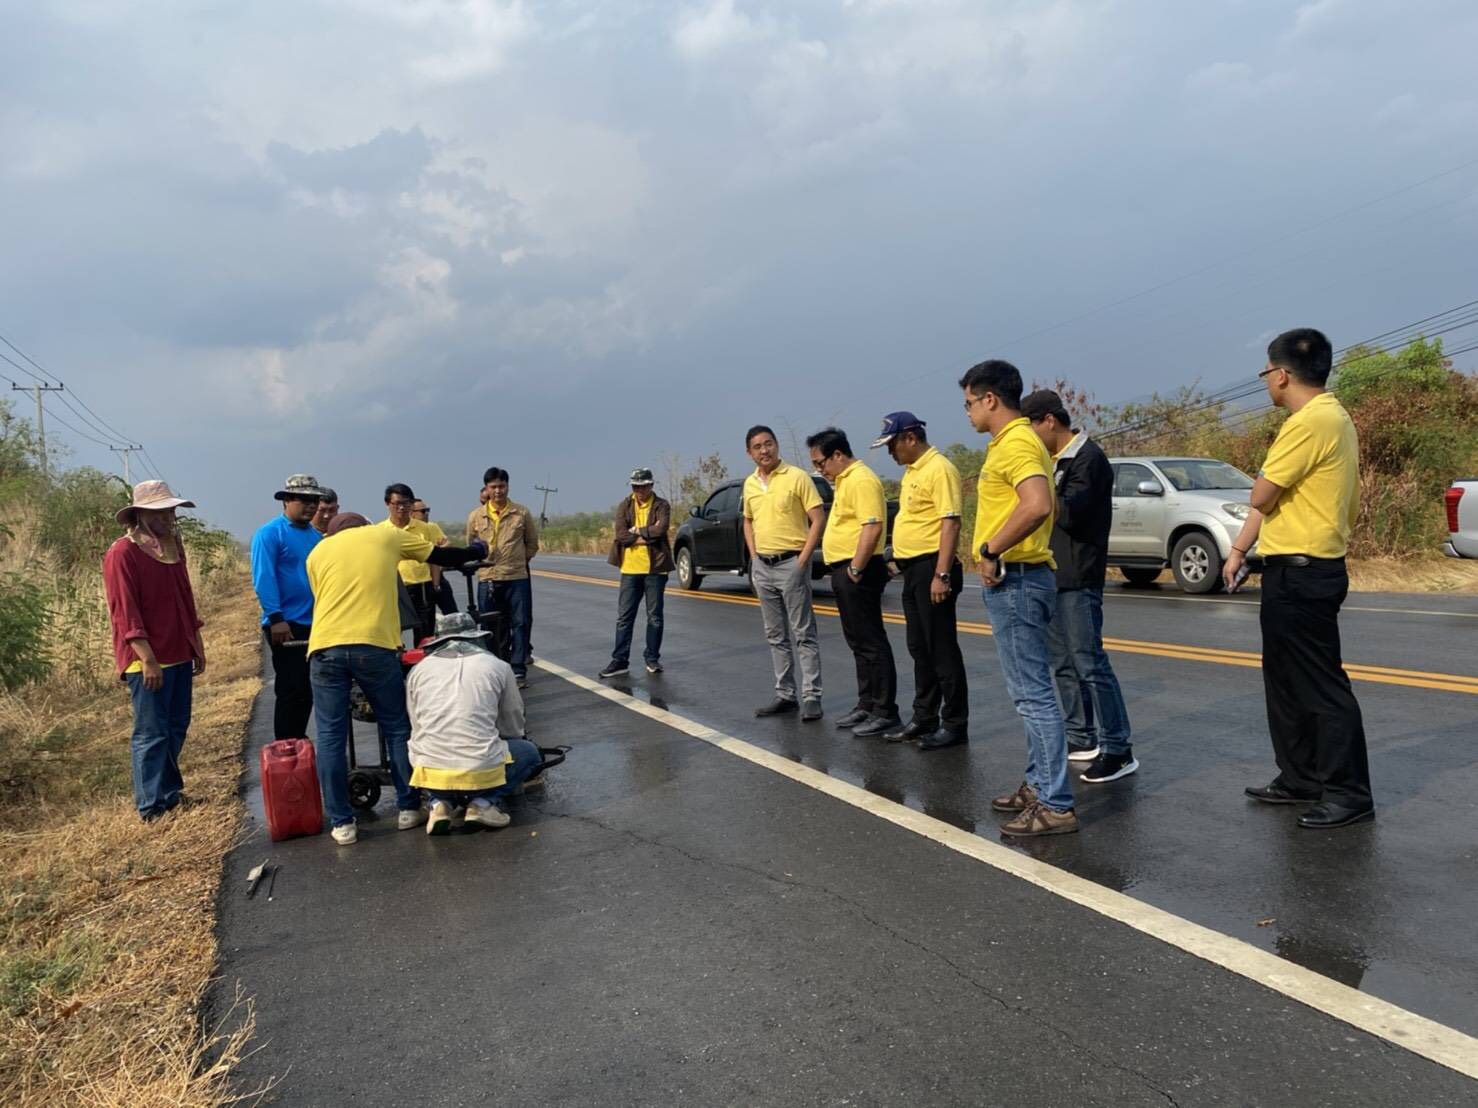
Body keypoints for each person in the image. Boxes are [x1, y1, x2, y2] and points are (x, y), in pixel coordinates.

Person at [1224, 328, 1373, 829]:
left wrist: (1243, 543)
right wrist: (1240, 550)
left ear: (1283, 374)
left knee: (1319, 686)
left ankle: (1348, 792)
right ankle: (1300, 777)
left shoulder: (1309, 422)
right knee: (1285, 681)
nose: (1266, 381)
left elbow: (1261, 495)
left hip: (1305, 572)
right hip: (1294, 569)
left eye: (1266, 372)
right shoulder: (1332, 416)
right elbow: (1272, 501)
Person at [306, 512, 486, 844]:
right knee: (395, 726)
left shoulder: (317, 552)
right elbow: (440, 555)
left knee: (330, 737)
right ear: (364, 526)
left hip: (324, 649)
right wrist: (476, 550)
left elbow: (323, 597)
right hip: (374, 646)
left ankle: (342, 824)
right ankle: (408, 808)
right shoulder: (383, 535)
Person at [961, 360, 1078, 837]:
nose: (968, 412)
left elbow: (1039, 505)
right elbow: (1045, 505)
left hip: (1019, 580)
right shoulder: (1018, 442)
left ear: (990, 399)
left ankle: (1055, 803)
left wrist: (992, 549)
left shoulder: (1016, 443)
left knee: (1033, 696)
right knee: (1030, 693)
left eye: (969, 403)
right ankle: (1038, 785)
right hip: (1025, 578)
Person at [1021, 390, 1137, 783]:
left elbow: (1070, 514)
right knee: (1063, 664)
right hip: (1054, 573)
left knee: (1090, 663)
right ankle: (1080, 737)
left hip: (1079, 574)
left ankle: (1118, 748)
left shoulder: (1088, 459)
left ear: (1049, 420)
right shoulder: (1055, 461)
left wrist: (1038, 485)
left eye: (1030, 428)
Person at [102, 481, 207, 821]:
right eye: (158, 512)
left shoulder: (173, 546)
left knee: (176, 725)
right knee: (151, 732)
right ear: (140, 514)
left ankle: (169, 794)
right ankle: (151, 806)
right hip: (146, 658)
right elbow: (125, 611)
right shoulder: (123, 552)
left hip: (179, 650)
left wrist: (195, 642)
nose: (166, 518)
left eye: (169, 511)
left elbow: (184, 597)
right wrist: (147, 658)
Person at [873, 412, 970, 750]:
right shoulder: (913, 471)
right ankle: (924, 717)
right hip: (913, 570)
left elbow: (950, 523)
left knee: (941, 649)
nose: (891, 453)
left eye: (892, 445)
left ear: (911, 438)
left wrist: (942, 574)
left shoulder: (939, 469)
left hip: (933, 568)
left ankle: (954, 723)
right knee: (919, 647)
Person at [407, 612, 543, 834]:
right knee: (529, 753)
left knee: (423, 750)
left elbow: (416, 724)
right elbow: (512, 721)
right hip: (480, 765)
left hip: (431, 769)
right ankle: (482, 803)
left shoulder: (418, 671)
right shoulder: (497, 666)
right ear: (475, 637)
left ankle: (439, 803)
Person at [808, 428, 899, 737]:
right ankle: (867, 703)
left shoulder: (861, 479)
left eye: (821, 463)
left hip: (857, 569)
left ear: (838, 454)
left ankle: (885, 711)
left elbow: (872, 527)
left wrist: (856, 569)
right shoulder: (845, 481)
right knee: (857, 641)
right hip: (845, 569)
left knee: (871, 641)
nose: (820, 469)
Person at [742, 425, 825, 720]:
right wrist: (754, 558)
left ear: (776, 445)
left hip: (792, 563)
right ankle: (786, 695)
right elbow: (748, 521)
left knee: (803, 633)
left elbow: (818, 518)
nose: (764, 450)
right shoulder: (750, 484)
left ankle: (812, 696)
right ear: (749, 453)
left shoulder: (797, 477)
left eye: (768, 444)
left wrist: (802, 561)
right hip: (763, 566)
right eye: (757, 447)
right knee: (775, 635)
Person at [250, 474, 326, 740]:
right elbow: (264, 578)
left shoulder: (316, 537)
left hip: (314, 622)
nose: (311, 506)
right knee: (291, 688)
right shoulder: (270, 533)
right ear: (286, 501)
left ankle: (298, 739)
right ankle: (286, 744)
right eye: (304, 500)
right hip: (286, 623)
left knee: (308, 688)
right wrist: (276, 617)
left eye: (314, 500)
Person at [466, 467, 539, 688]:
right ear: (486, 489)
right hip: (487, 577)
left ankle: (518, 670)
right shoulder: (475, 516)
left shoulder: (521, 513)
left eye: (502, 486)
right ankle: (496, 669)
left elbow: (532, 544)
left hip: (516, 577)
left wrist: (516, 562)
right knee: (491, 626)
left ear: (508, 486)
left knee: (520, 623)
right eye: (493, 487)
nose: (498, 491)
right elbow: (471, 544)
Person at [600, 468, 674, 678]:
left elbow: (661, 530)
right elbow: (621, 535)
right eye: (635, 486)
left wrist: (637, 531)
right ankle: (620, 660)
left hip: (655, 569)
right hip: (630, 569)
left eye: (643, 486)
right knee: (624, 617)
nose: (639, 491)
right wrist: (647, 534)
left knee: (655, 617)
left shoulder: (661, 505)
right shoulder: (625, 505)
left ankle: (652, 659)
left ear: (651, 485)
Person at [380, 483, 441, 643]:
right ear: (387, 504)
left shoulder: (425, 528)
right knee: (393, 633)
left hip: (422, 585)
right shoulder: (380, 530)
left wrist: (435, 584)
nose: (401, 508)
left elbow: (434, 558)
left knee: (425, 635)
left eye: (406, 503)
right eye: (397, 503)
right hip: (395, 587)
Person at [414, 498, 460, 616]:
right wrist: (435, 549)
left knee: (452, 613)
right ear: (411, 513)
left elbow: (448, 544)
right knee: (425, 616)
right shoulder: (409, 532)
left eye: (428, 510)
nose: (427, 513)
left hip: (438, 576)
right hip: (420, 581)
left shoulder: (432, 527)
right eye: (423, 511)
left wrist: (435, 550)